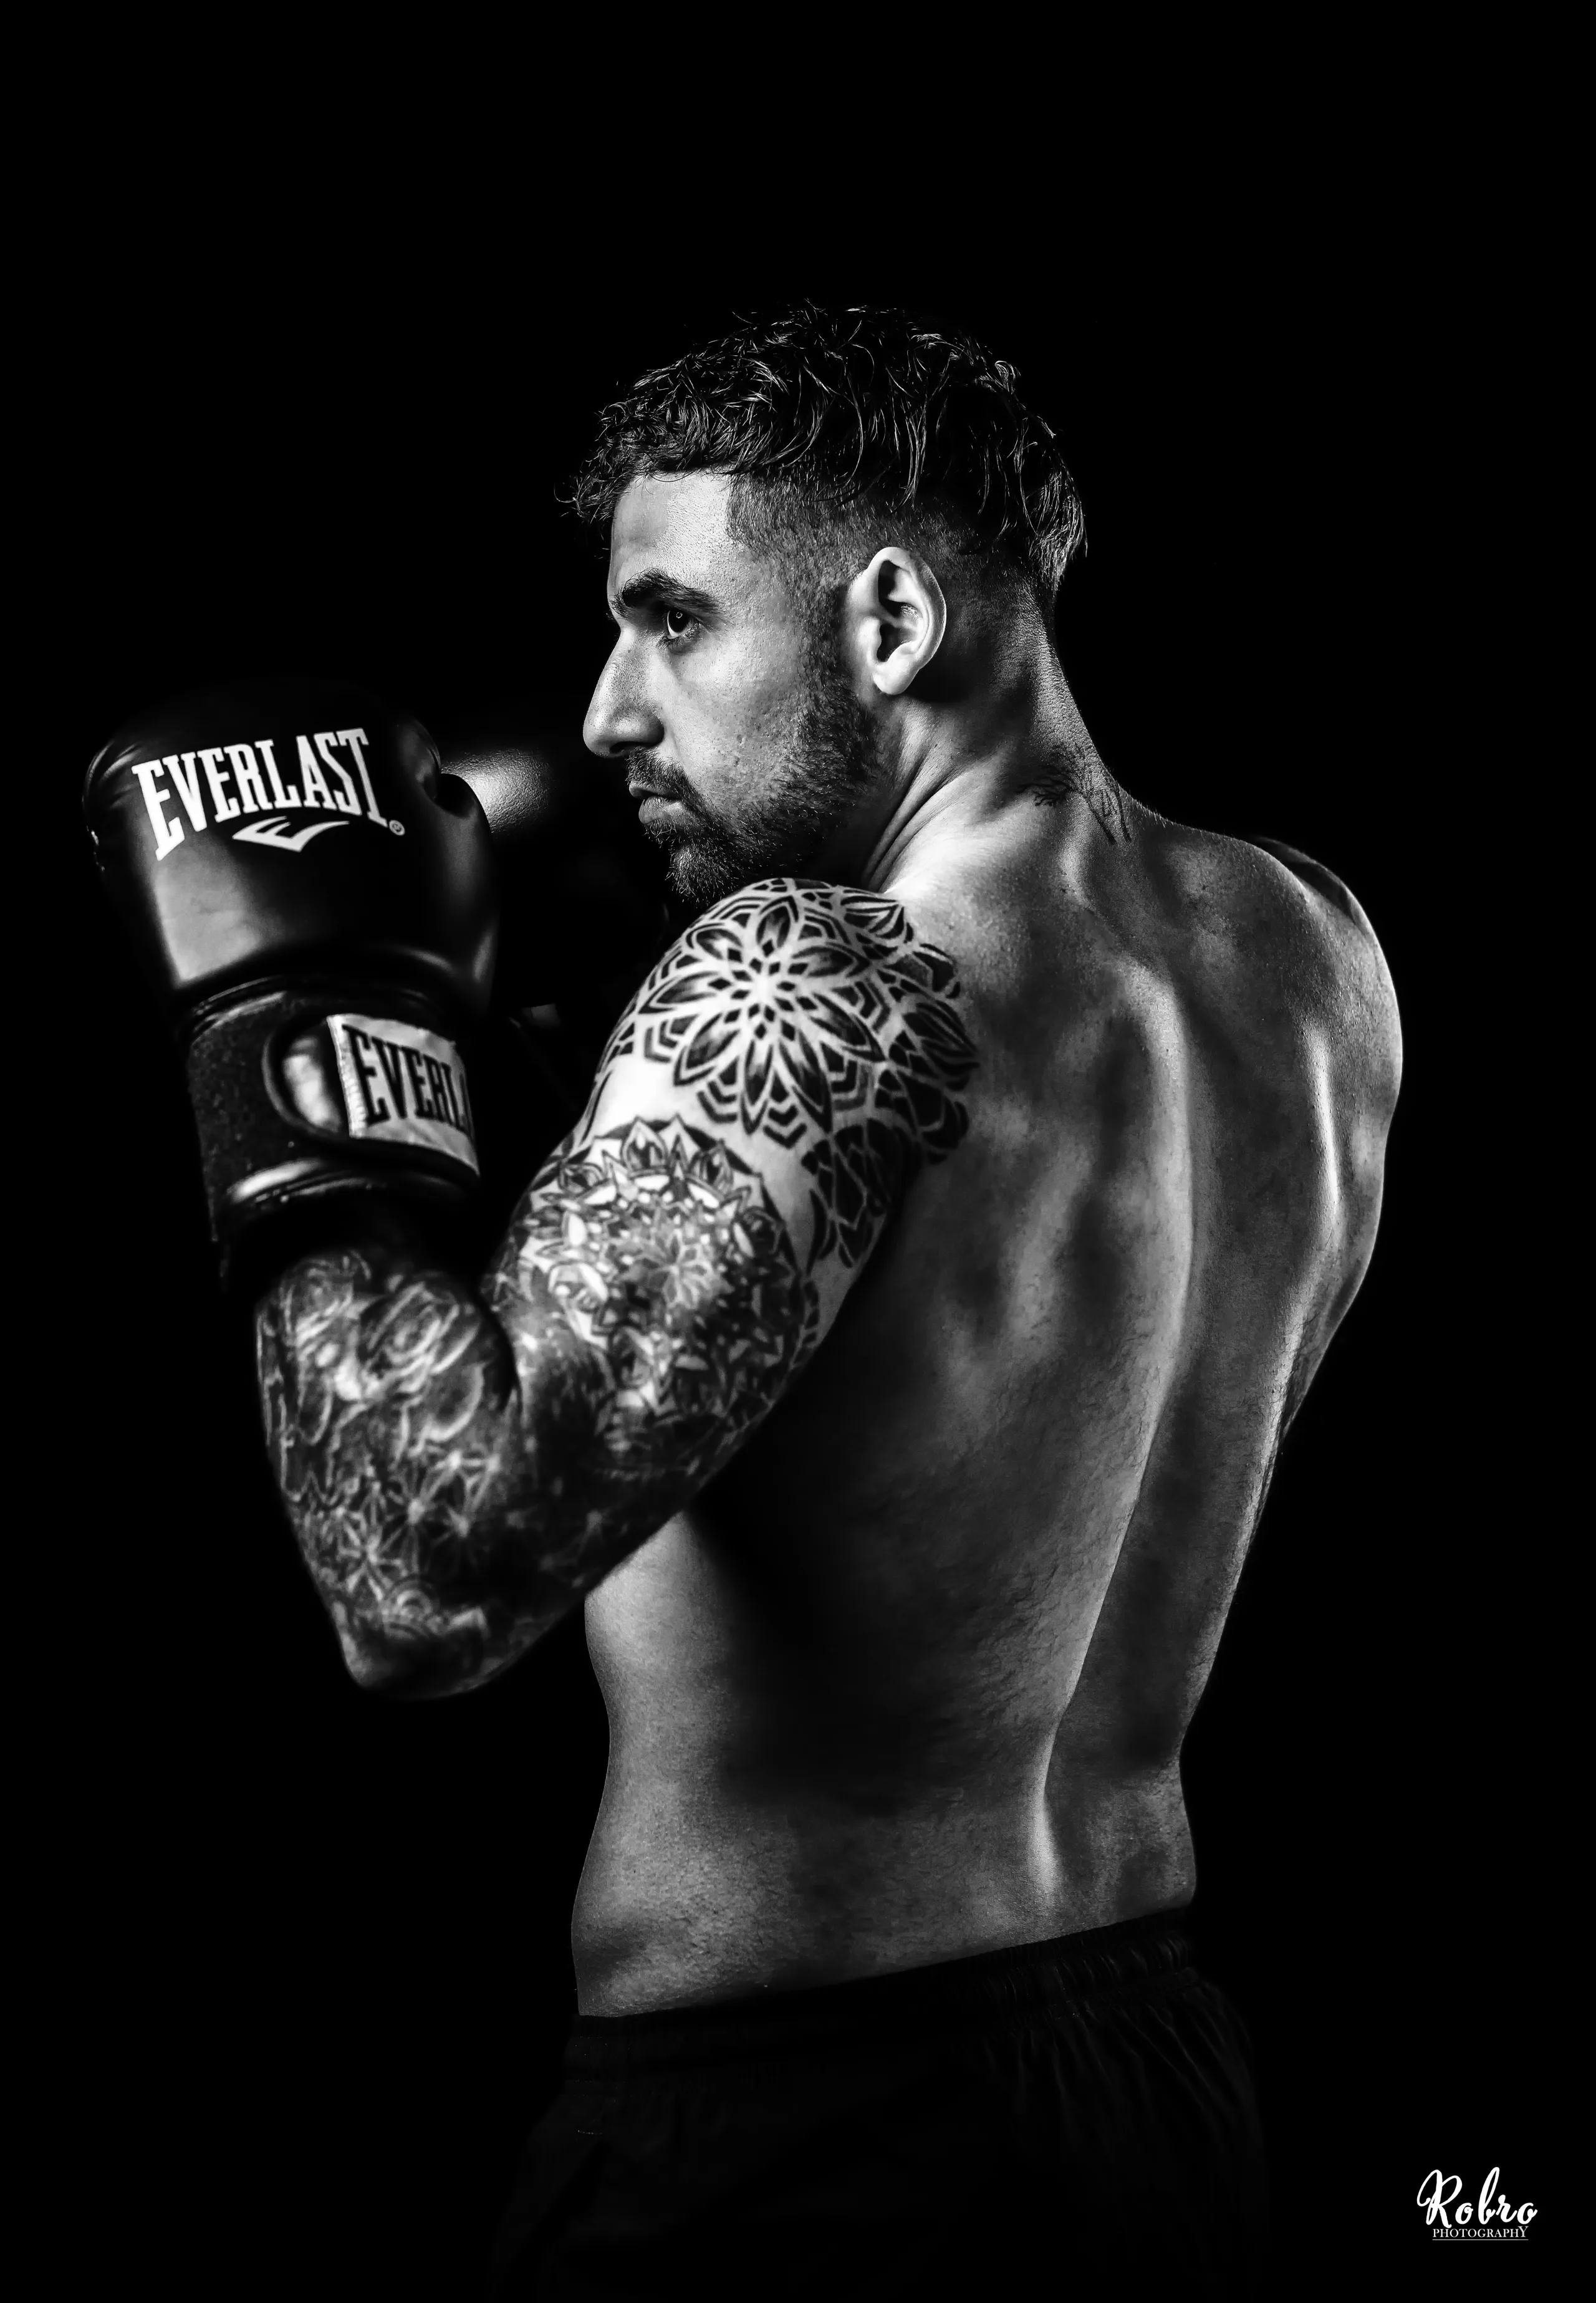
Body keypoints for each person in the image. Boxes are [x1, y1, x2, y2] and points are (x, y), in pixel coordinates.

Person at [87, 305, 1401, 2296]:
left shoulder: (809, 979)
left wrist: (297, 1025)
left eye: (673, 622)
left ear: (891, 621)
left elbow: (420, 1577)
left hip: (802, 2153)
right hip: (1156, 2093)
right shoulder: (1303, 951)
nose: (609, 711)